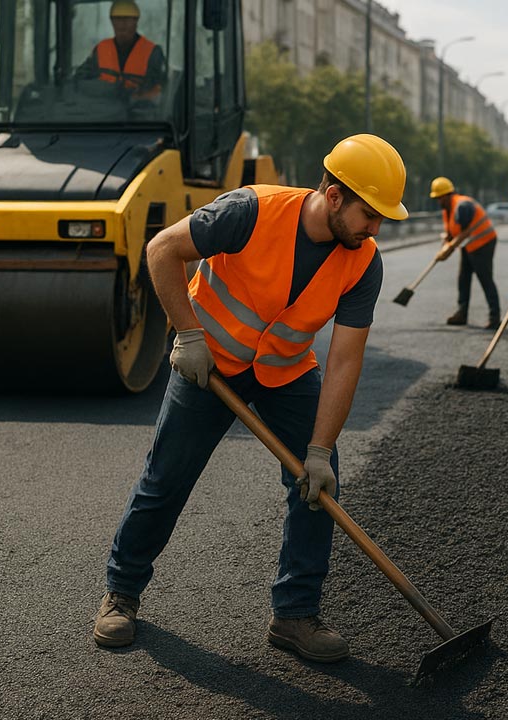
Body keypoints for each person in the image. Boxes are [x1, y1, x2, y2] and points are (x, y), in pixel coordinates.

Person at [93, 135, 408, 665]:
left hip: (285, 372)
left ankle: (294, 613)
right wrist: (188, 334)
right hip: (209, 364)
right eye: (369, 214)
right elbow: (162, 250)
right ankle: (120, 593)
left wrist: (321, 448)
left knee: (317, 485)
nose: (374, 229)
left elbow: (345, 360)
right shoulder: (251, 212)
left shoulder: (362, 262)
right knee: (166, 478)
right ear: (333, 195)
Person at [429, 177, 502, 329]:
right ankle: (462, 313)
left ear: (447, 195)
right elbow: (451, 233)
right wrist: (445, 246)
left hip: (483, 243)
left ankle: (495, 317)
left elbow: (465, 232)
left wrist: (449, 249)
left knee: (485, 278)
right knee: (463, 278)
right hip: (469, 245)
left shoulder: (462, 206)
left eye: (439, 197)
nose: (438, 201)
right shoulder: (448, 210)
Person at [76, 0, 166, 102]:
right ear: (112, 22)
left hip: (139, 113)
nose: (122, 24)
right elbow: (80, 79)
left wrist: (129, 95)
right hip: (103, 110)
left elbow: (159, 89)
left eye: (127, 19)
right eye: (118, 19)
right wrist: (102, 89)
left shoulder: (153, 52)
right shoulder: (101, 49)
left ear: (136, 21)